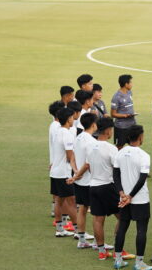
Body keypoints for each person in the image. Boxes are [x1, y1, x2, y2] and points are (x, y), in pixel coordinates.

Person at [113, 125, 152, 270]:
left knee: (122, 228)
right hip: (140, 199)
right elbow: (142, 179)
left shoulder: (120, 153)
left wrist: (122, 194)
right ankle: (139, 263)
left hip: (124, 199)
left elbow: (115, 175)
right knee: (141, 230)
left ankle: (118, 260)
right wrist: (130, 196)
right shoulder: (144, 155)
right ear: (140, 137)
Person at [85, 118, 122, 261]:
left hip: (93, 186)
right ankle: (119, 248)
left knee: (98, 219)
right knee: (122, 216)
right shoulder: (111, 148)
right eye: (111, 129)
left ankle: (101, 252)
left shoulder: (90, 146)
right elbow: (117, 169)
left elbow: (88, 166)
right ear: (107, 131)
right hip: (107, 186)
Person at [68, 112, 99, 248]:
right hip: (88, 181)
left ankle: (81, 240)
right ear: (93, 125)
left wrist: (75, 172)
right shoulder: (92, 141)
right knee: (96, 212)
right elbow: (88, 164)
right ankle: (98, 242)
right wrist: (78, 174)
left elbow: (72, 157)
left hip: (79, 181)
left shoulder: (78, 137)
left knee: (82, 208)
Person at [50, 107, 79, 238]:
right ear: (68, 119)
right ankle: (79, 230)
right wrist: (77, 171)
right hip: (64, 173)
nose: (73, 120)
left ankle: (60, 229)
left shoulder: (57, 131)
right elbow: (69, 156)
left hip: (55, 171)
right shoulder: (67, 134)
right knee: (71, 201)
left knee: (59, 200)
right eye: (72, 118)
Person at [110, 74, 136, 149]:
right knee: (119, 147)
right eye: (130, 82)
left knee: (133, 145)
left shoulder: (129, 92)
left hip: (132, 125)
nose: (132, 84)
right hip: (121, 127)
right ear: (126, 84)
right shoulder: (116, 97)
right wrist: (124, 115)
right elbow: (113, 114)